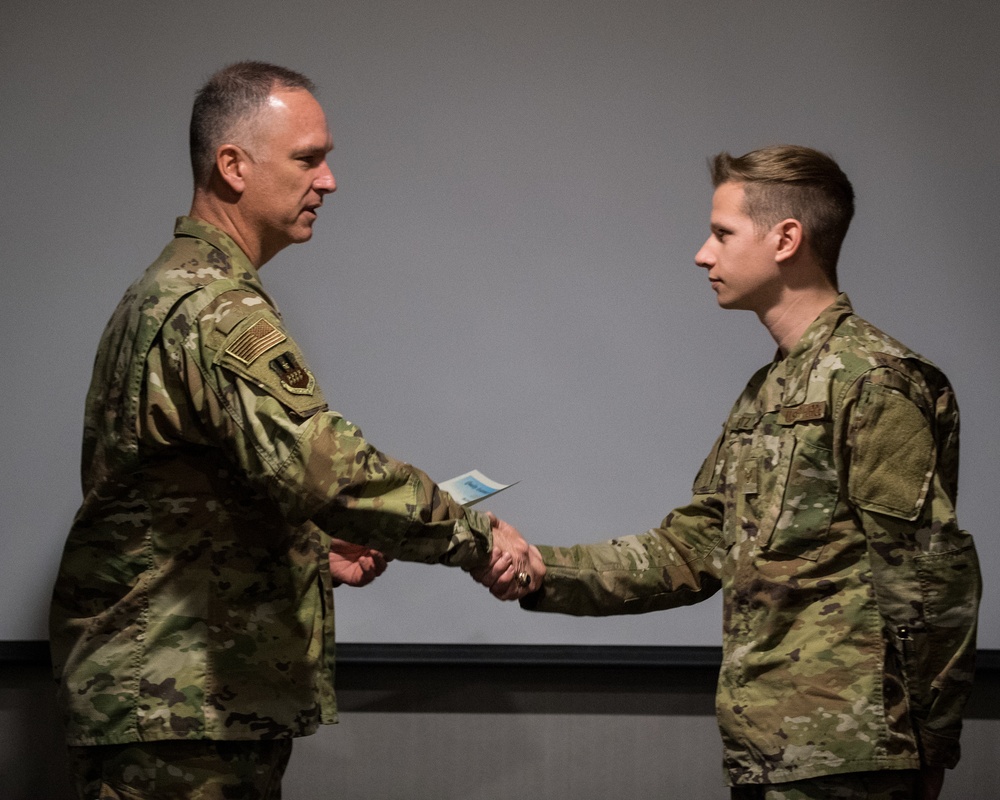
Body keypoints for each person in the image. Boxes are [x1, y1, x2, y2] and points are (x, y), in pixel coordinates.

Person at [49, 61, 542, 799]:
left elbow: (180, 498)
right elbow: (329, 472)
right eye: (308, 158)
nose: (329, 180)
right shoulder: (217, 310)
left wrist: (312, 546)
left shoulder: (162, 291)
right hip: (184, 712)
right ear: (233, 166)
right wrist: (476, 539)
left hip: (174, 702)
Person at [479, 145, 981, 799]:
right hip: (770, 755)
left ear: (786, 239)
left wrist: (927, 748)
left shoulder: (874, 381)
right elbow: (695, 549)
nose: (702, 253)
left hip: (854, 760)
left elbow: (929, 581)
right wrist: (546, 570)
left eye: (721, 233)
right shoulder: (765, 393)